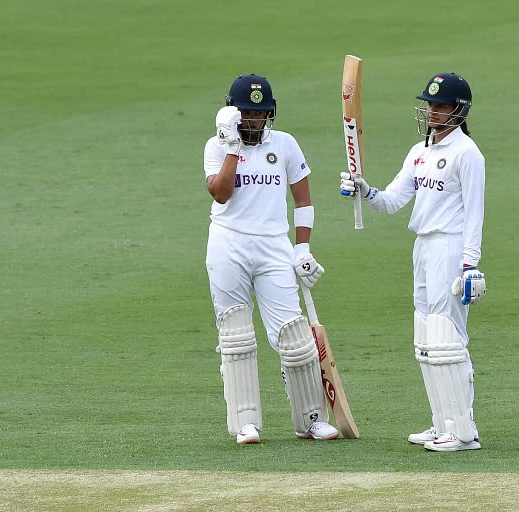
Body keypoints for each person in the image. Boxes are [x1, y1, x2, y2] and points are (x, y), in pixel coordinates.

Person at [340, 72, 486, 452]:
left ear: (458, 109)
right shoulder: (418, 151)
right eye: (430, 105)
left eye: (439, 106)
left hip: (450, 249)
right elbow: (391, 201)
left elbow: (475, 213)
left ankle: (464, 431)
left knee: (448, 337)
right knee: (426, 339)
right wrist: (364, 189)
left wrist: (470, 264)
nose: (432, 112)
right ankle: (442, 423)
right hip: (422, 247)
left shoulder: (467, 154)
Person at [203, 73, 339, 445]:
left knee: (294, 336)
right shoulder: (215, 147)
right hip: (228, 245)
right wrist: (233, 147)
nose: (254, 120)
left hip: (273, 246)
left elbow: (304, 200)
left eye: (261, 113)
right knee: (236, 335)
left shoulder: (285, 144)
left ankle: (311, 420)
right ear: (232, 113)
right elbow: (220, 194)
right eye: (247, 113)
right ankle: (246, 423)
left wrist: (303, 248)